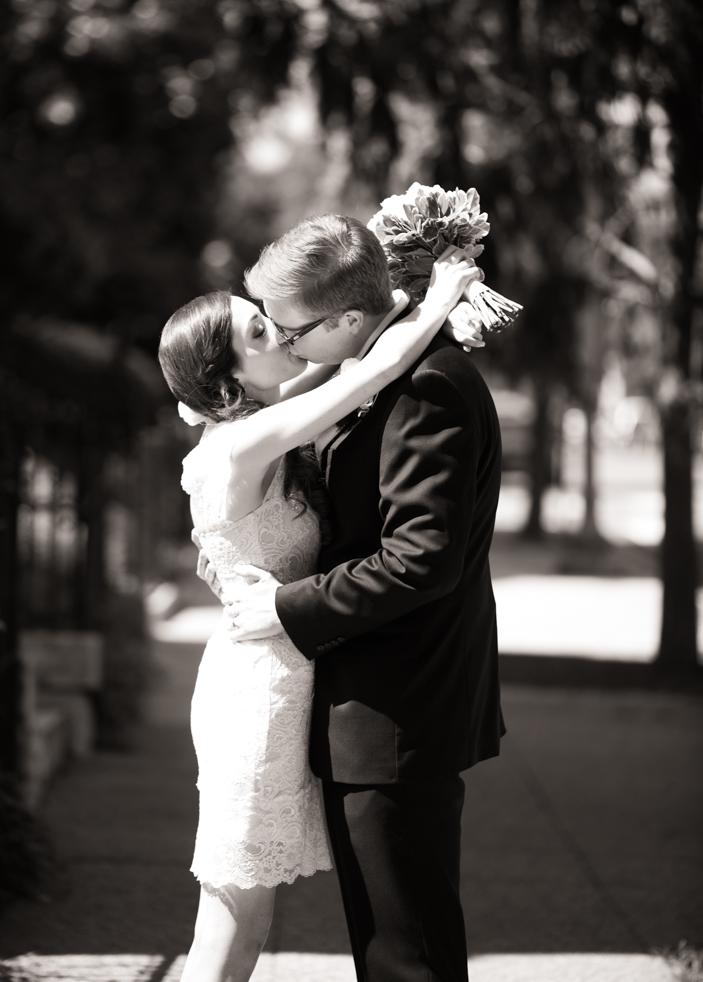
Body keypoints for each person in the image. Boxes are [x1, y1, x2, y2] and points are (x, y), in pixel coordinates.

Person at [157, 245, 482, 982]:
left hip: (278, 664)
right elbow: (365, 370)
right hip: (259, 689)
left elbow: (340, 347)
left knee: (244, 914)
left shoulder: (257, 419)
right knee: (236, 917)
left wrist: (384, 285)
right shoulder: (244, 441)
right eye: (260, 331)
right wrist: (436, 300)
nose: (280, 330)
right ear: (227, 378)